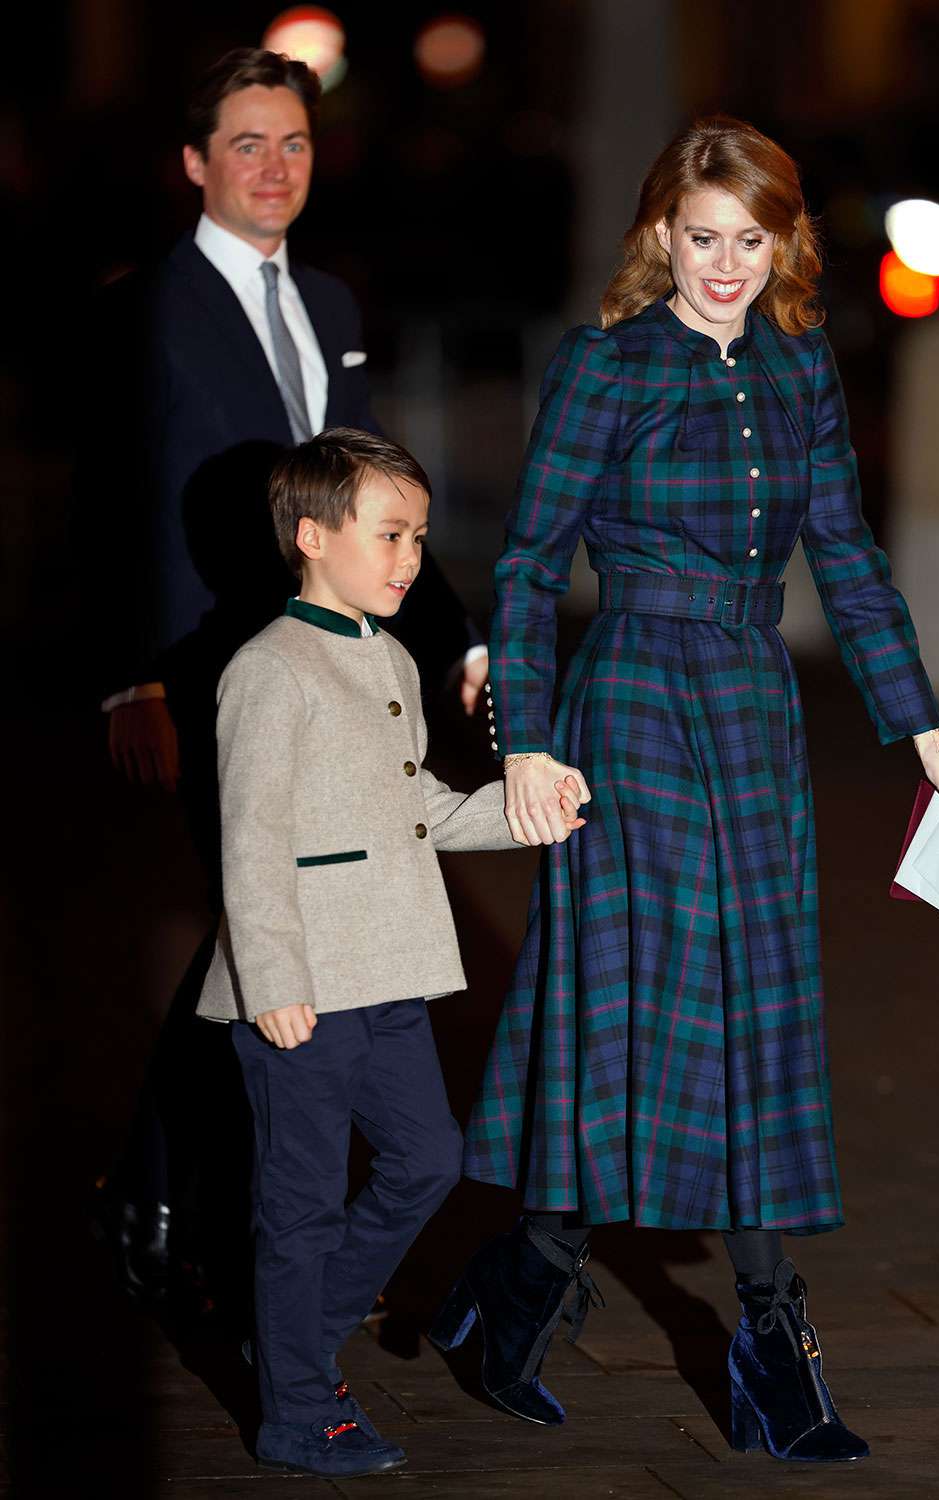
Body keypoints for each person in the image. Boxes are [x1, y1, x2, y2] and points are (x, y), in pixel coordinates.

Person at [432, 115, 939, 1464]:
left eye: (750, 238)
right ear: (659, 236)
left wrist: (923, 735)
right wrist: (525, 740)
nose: (725, 264)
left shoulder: (798, 373)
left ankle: (536, 1295)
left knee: (754, 1018)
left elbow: (847, 561)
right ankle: (739, 1335)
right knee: (630, 1009)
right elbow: (527, 565)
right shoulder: (608, 365)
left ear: (781, 239)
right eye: (702, 237)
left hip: (748, 708)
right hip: (624, 709)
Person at [86, 48, 488, 1303]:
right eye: (248, 143)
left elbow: (370, 492)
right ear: (196, 162)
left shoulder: (329, 303)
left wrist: (457, 637)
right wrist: (131, 682)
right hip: (219, 675)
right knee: (261, 927)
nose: (275, 166)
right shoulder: (147, 307)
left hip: (341, 660)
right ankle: (172, 1194)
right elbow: (119, 507)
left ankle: (172, 1192)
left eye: (295, 143)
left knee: (257, 937)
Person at [194, 426, 582, 1477]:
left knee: (427, 1161)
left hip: (389, 976)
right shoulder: (270, 671)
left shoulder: (391, 655)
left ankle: (289, 1342)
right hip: (306, 990)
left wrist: (521, 813)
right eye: (389, 534)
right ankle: (297, 1412)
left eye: (417, 536)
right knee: (301, 1205)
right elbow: (251, 840)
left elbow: (408, 805)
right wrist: (271, 981)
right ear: (312, 537)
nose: (410, 557)